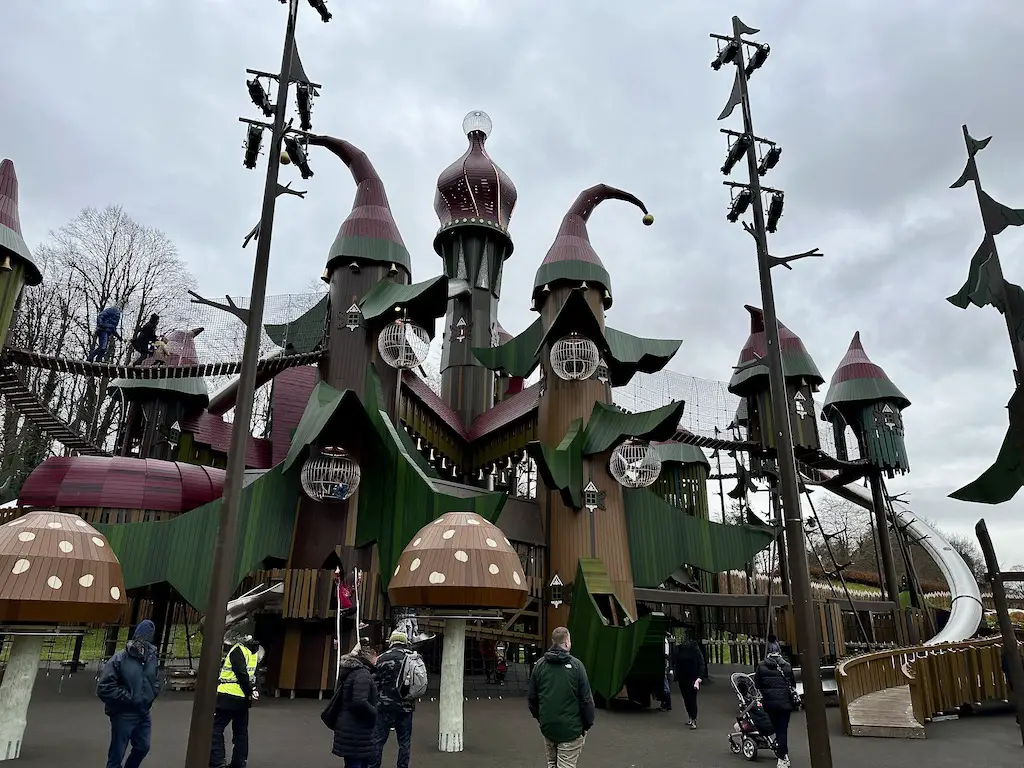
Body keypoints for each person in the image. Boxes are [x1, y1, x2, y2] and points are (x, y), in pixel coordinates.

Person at [96, 620, 161, 768]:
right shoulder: (120, 659)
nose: (143, 642)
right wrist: (128, 697)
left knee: (143, 747)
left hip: (143, 711)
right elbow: (104, 687)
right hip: (123, 713)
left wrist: (151, 694)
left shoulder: (151, 657)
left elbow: (155, 679)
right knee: (116, 756)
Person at [527, 627, 595, 768]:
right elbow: (586, 700)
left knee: (552, 764)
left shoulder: (539, 665)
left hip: (548, 728)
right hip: (570, 731)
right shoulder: (577, 666)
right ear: (566, 643)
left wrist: (542, 719)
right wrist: (586, 725)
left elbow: (532, 699)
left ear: (553, 642)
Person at [209, 633, 261, 768]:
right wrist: (252, 690)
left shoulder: (238, 650)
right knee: (241, 732)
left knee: (215, 729)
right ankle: (239, 762)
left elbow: (241, 673)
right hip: (243, 699)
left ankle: (217, 761)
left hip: (227, 696)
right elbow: (254, 675)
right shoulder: (254, 653)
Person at [370, 631, 421, 768]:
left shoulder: (382, 658)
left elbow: (374, 683)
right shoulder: (412, 658)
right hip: (406, 706)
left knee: (378, 741)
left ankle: (373, 766)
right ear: (405, 642)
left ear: (391, 642)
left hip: (384, 705)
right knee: (404, 742)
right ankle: (402, 766)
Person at [328, 644, 379, 768]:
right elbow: (359, 701)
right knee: (357, 763)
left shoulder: (353, 672)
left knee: (352, 762)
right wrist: (374, 711)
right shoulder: (363, 675)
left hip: (349, 726)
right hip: (357, 729)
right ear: (370, 658)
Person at [755, 649, 798, 768]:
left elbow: (757, 684)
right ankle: (783, 756)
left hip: (770, 703)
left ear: (768, 653)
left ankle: (782, 755)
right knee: (782, 730)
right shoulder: (787, 666)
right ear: (779, 653)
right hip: (785, 703)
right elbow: (793, 684)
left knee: (776, 728)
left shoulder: (761, 666)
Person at [672, 634, 707, 729]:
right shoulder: (679, 649)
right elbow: (674, 661)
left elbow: (701, 663)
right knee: (687, 698)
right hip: (683, 678)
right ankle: (691, 717)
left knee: (691, 698)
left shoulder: (693, 649)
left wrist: (699, 677)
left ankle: (693, 719)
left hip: (692, 678)